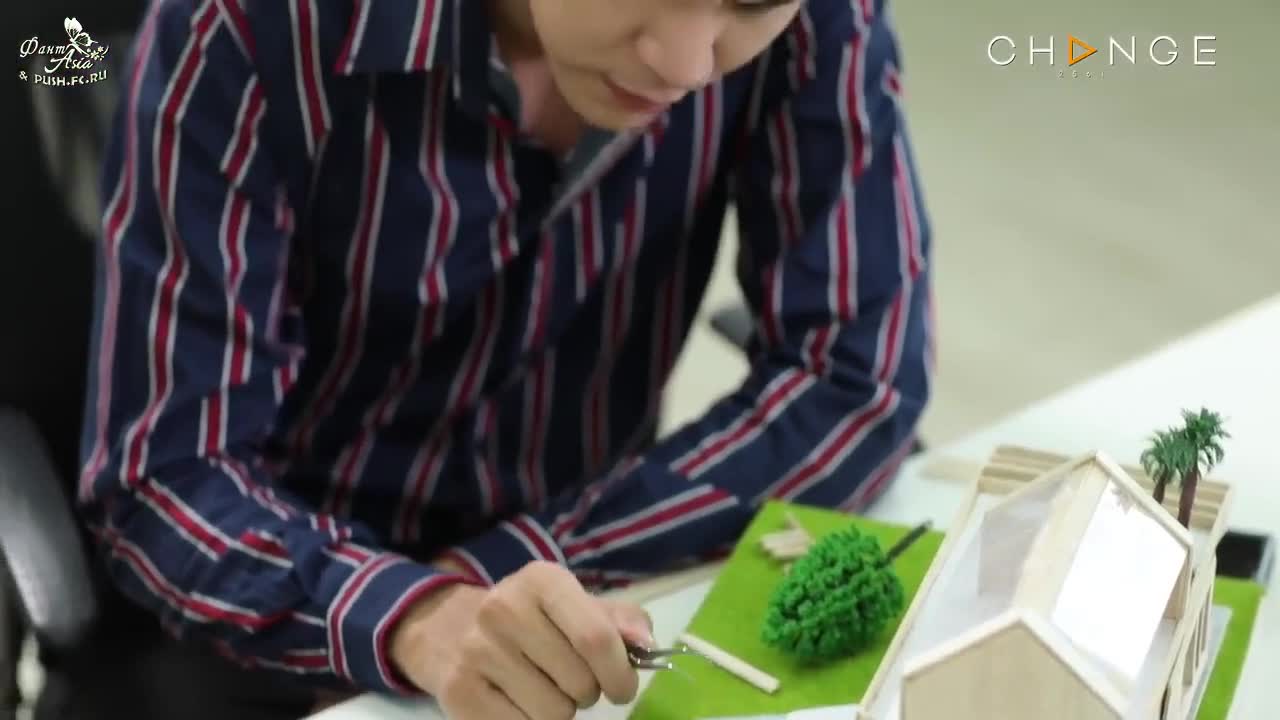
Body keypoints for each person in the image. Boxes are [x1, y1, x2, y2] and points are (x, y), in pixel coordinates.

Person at [73, 0, 933, 717]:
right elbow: (166, 477)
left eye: (751, 3)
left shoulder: (815, 15)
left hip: (593, 611)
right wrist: (415, 615)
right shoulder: (247, 24)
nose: (685, 63)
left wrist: (514, 564)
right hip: (272, 629)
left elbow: (856, 378)